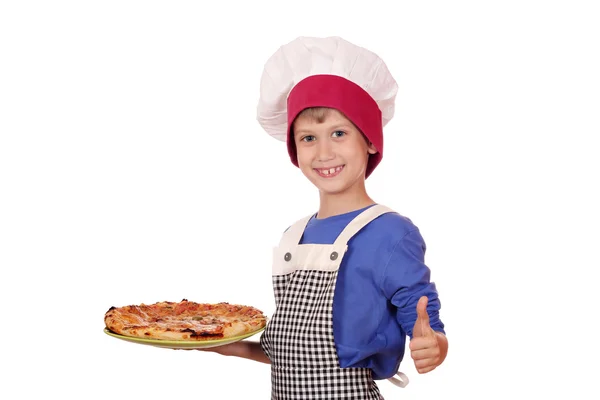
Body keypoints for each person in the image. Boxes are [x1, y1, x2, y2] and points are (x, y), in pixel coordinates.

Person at [203, 36, 448, 399]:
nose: (324, 152)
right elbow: (288, 353)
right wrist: (215, 342)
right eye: (308, 138)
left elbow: (425, 322)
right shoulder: (294, 236)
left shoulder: (390, 232)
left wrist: (435, 346)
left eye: (339, 133)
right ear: (294, 150)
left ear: (369, 140)